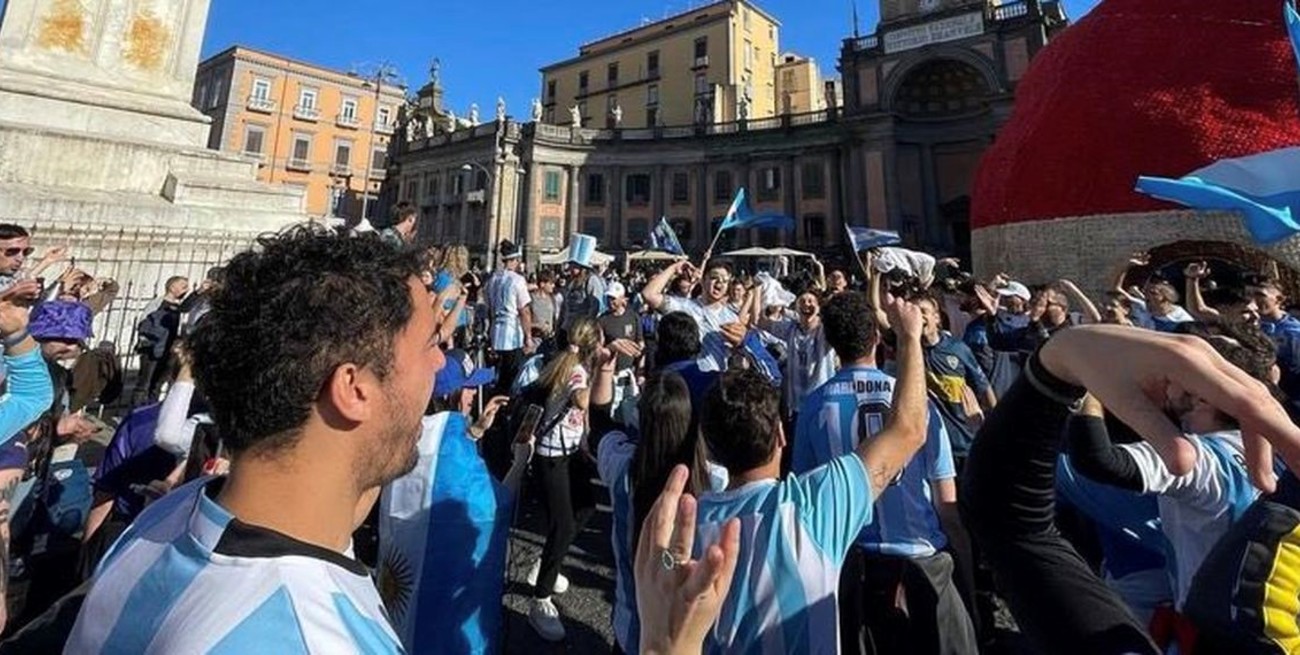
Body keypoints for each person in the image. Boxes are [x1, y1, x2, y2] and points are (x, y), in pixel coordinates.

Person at [66, 226, 446, 653]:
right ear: (354, 389)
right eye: (431, 342)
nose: (441, 360)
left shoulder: (170, 514)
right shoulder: (305, 639)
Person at [959, 323, 1300, 655]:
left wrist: (1068, 376)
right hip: (1205, 605)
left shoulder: (1210, 456)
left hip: (1187, 607)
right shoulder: (1274, 453)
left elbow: (1090, 465)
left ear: (1203, 396)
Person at [692, 295, 930, 654]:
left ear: (707, 447)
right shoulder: (813, 507)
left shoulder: (684, 529)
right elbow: (909, 428)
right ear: (781, 437)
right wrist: (910, 337)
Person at [1064, 322, 1280, 651]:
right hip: (1267, 622)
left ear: (1202, 395)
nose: (1167, 382)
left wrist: (1094, 383)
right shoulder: (1271, 444)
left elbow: (1096, 459)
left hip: (1212, 631)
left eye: (1176, 374)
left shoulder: (1204, 458)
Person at [796, 291, 977, 655]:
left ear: (830, 343)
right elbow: (947, 504)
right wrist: (968, 581)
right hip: (923, 559)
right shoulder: (917, 402)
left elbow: (808, 502)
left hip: (857, 567)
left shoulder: (814, 408)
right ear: (877, 338)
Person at [378, 349, 529, 654]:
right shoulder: (455, 457)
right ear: (452, 394)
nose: (476, 393)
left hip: (399, 599)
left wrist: (475, 431)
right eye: (470, 386)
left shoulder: (403, 435)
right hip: (443, 609)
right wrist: (520, 462)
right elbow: (496, 507)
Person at [594, 366, 720, 655]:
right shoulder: (715, 480)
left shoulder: (621, 468)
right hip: (691, 635)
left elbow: (599, 425)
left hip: (631, 627)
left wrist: (604, 370)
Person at [527, 318, 603, 642]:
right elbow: (582, 400)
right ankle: (540, 600)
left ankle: (546, 561)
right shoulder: (577, 370)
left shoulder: (574, 363)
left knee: (586, 508)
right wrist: (602, 370)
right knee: (563, 525)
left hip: (571, 452)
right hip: (553, 456)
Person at [916, 294, 996, 465]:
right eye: (915, 313)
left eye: (923, 311)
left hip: (963, 441)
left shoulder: (957, 349)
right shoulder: (910, 350)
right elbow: (880, 314)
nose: (919, 317)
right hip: (928, 444)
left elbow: (984, 387)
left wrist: (996, 426)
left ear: (936, 317)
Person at [643, 259, 746, 373]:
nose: (719, 284)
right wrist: (673, 269)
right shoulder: (685, 307)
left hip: (718, 382)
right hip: (688, 379)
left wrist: (740, 346)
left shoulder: (731, 318)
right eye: (714, 278)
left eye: (725, 281)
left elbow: (740, 360)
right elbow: (649, 294)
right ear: (702, 280)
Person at [485, 240, 533, 397]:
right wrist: (528, 336)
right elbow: (524, 310)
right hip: (512, 334)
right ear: (515, 260)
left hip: (495, 331)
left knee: (496, 376)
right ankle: (504, 409)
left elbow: (490, 309)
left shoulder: (492, 280)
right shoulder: (518, 280)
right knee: (510, 377)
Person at [131, 276, 188, 404]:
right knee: (144, 384)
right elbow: (143, 324)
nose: (186, 290)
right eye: (183, 286)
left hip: (168, 351)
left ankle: (149, 413)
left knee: (157, 385)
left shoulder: (179, 308)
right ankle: (135, 415)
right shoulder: (158, 303)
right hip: (152, 350)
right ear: (172, 287)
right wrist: (147, 342)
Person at [598, 281, 644, 413]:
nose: (609, 301)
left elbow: (640, 341)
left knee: (630, 407)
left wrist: (639, 368)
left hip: (628, 372)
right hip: (611, 373)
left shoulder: (633, 316)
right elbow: (599, 346)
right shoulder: (602, 320)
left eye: (613, 298)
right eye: (608, 298)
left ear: (622, 299)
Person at [530, 269, 559, 347]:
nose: (553, 286)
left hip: (550, 339)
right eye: (551, 283)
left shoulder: (552, 298)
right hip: (535, 340)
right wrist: (538, 325)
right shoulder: (531, 299)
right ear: (542, 284)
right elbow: (522, 321)